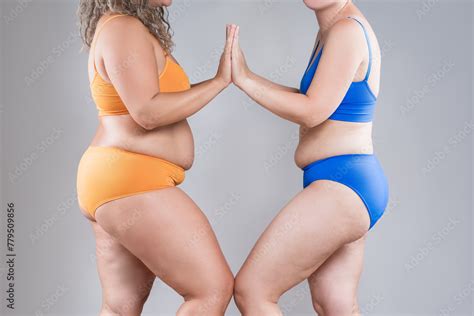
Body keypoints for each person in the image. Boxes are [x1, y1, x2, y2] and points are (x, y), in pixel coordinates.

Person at [76, 1, 236, 315]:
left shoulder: (121, 27)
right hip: (130, 180)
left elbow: (159, 102)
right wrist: (219, 83)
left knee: (121, 306)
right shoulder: (123, 29)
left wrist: (218, 79)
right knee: (212, 289)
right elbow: (147, 112)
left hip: (118, 182)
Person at [230, 1, 389, 315]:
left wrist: (246, 82)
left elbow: (313, 111)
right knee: (335, 304)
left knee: (253, 290)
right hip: (348, 183)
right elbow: (311, 98)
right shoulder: (331, 30)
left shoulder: (346, 31)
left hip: (344, 183)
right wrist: (247, 75)